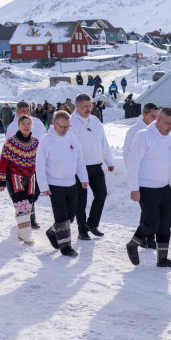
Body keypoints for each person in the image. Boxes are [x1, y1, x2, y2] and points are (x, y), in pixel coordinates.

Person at [124, 106, 171, 268]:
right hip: (147, 188)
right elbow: (133, 163)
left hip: (164, 187)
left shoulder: (168, 138)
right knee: (152, 223)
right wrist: (134, 188)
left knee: (165, 224)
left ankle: (162, 259)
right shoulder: (143, 136)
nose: (170, 127)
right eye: (168, 123)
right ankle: (133, 244)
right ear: (158, 120)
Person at [36, 110, 88, 256]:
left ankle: (53, 232)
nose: (65, 130)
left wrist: (83, 177)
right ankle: (65, 247)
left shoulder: (72, 137)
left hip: (71, 183)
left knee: (70, 217)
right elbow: (40, 165)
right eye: (62, 127)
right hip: (54, 185)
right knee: (61, 218)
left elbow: (79, 159)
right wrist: (44, 186)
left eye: (68, 127)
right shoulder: (46, 141)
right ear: (54, 124)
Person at [69, 93, 114, 239]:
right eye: (85, 106)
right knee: (81, 200)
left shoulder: (95, 120)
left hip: (96, 165)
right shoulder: (71, 123)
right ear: (77, 106)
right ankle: (82, 230)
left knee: (101, 194)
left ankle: (92, 224)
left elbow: (103, 141)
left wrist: (109, 161)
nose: (88, 109)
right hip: (79, 167)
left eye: (90, 106)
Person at [0, 115, 41, 245]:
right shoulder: (11, 143)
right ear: (18, 126)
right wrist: (1, 181)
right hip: (14, 177)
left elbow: (40, 162)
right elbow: (3, 162)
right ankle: (27, 235)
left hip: (31, 178)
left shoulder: (36, 143)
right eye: (23, 124)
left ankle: (22, 233)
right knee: (21, 205)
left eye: (28, 124)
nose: (26, 126)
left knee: (29, 205)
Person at [123, 102, 159, 247]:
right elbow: (127, 154)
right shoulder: (133, 131)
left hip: (153, 176)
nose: (155, 119)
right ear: (144, 114)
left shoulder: (157, 130)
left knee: (151, 210)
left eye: (157, 116)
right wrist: (133, 175)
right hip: (140, 176)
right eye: (152, 116)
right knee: (147, 210)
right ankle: (145, 238)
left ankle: (149, 237)